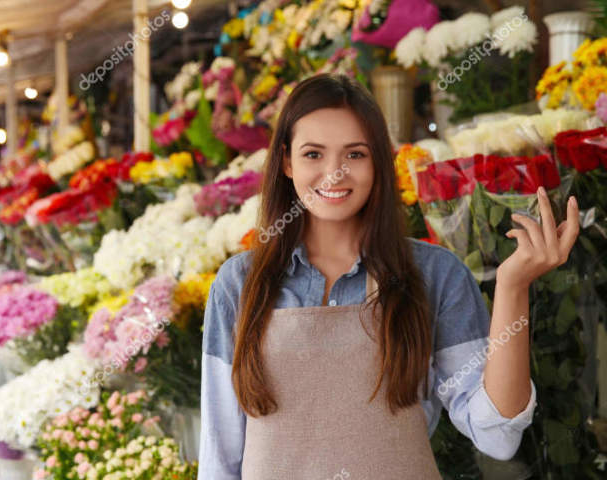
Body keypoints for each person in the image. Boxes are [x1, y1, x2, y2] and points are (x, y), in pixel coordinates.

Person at [198, 73, 579, 479]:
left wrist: (513, 287)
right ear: (287, 162)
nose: (333, 173)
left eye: (355, 154)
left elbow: (497, 436)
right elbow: (220, 458)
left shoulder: (434, 274)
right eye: (313, 154)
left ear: (379, 162)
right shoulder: (239, 284)